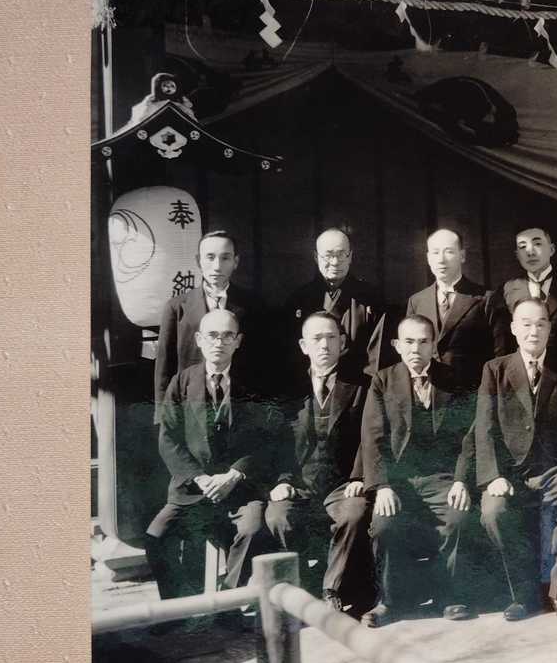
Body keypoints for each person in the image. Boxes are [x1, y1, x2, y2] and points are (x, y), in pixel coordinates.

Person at [474, 298, 557, 622]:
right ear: (514, 329)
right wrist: (493, 476)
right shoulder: (495, 370)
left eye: (541, 324)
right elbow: (484, 427)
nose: (534, 331)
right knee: (493, 511)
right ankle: (522, 594)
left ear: (549, 329)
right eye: (526, 324)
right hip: (511, 473)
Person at [144, 309, 279, 600]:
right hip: (193, 489)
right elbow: (168, 439)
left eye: (227, 336)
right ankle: (179, 607)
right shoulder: (181, 382)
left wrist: (235, 474)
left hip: (240, 490)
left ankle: (228, 605)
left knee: (252, 529)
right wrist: (200, 478)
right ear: (199, 339)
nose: (219, 342)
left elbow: (266, 439)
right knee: (156, 537)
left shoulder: (255, 384)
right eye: (212, 335)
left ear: (238, 341)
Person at [361, 315, 475, 627]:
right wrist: (382, 486)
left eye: (424, 341)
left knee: (458, 516)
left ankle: (449, 596)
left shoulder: (452, 379)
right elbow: (372, 438)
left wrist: (461, 480)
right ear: (397, 345)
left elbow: (468, 436)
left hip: (442, 478)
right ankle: (389, 602)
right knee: (383, 525)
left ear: (433, 345)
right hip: (398, 480)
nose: (416, 349)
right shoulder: (382, 381)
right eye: (409, 342)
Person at [264, 312, 373, 615]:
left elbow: (370, 438)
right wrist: (283, 481)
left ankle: (331, 589)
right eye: (316, 338)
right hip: (301, 485)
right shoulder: (287, 390)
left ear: (342, 342)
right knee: (278, 516)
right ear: (303, 346)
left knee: (354, 513)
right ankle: (302, 585)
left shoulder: (363, 386)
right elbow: (277, 444)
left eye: (330, 337)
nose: (324, 345)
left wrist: (359, 477)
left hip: (344, 484)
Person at [153, 230, 260, 403]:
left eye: (225, 258)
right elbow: (164, 369)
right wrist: (163, 412)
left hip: (239, 402)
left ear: (235, 262)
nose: (217, 266)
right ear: (198, 261)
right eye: (210, 257)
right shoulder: (177, 307)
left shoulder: (254, 306)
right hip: (190, 402)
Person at [406, 228, 506, 391]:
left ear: (462, 256)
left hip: (472, 394)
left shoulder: (487, 299)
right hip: (428, 394)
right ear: (428, 258)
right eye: (435, 252)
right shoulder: (416, 301)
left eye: (449, 252)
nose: (441, 260)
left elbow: (500, 356)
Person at [283, 227, 388, 383]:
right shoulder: (299, 299)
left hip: (359, 385)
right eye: (328, 255)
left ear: (350, 256)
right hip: (310, 385)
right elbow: (292, 352)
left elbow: (376, 354)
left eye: (341, 254)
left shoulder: (370, 298)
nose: (335, 262)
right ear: (316, 257)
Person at [496, 224, 557, 366]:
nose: (530, 252)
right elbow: (503, 341)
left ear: (552, 250)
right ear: (517, 255)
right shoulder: (508, 290)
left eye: (537, 244)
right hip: (524, 369)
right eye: (522, 246)